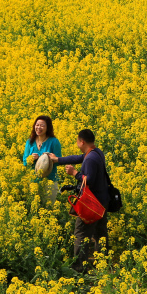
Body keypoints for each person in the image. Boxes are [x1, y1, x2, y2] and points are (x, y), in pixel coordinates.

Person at [49, 129, 110, 272]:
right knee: (100, 232)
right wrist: (58, 160)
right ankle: (103, 263)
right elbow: (78, 158)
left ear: (81, 141)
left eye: (77, 140)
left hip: (91, 204)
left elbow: (89, 180)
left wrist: (74, 173)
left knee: (81, 234)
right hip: (102, 201)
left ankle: (79, 267)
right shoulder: (96, 152)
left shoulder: (90, 159)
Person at [23, 115, 62, 206]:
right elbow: (25, 162)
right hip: (33, 182)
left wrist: (51, 159)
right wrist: (30, 159)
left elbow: (59, 160)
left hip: (50, 180)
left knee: (48, 207)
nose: (39, 128)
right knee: (34, 208)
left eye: (42, 125)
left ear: (47, 128)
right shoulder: (30, 142)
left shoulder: (54, 142)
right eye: (37, 125)